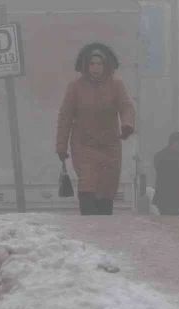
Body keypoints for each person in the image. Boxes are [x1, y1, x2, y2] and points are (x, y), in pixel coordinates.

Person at [56, 42, 135, 216]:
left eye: (100, 64)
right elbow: (65, 117)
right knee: (88, 184)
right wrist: (61, 146)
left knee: (107, 188)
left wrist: (127, 124)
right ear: (85, 66)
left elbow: (126, 106)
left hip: (110, 146)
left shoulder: (116, 85)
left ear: (107, 65)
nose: (96, 68)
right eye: (92, 63)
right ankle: (89, 222)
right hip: (84, 145)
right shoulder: (75, 88)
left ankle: (104, 228)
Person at [152, 131, 179, 216]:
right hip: (166, 198)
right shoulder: (161, 156)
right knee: (168, 220)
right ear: (172, 143)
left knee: (172, 221)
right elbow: (163, 174)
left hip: (176, 198)